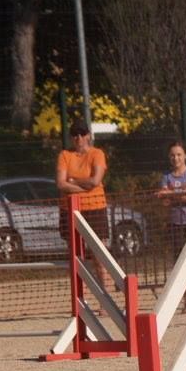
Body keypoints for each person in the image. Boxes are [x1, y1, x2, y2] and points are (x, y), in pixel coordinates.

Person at [56, 119, 113, 296]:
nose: (78, 138)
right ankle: (82, 300)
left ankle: (108, 299)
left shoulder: (97, 154)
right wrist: (84, 187)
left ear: (88, 135)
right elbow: (61, 184)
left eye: (81, 134)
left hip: (95, 208)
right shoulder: (65, 155)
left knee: (99, 256)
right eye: (74, 135)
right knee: (76, 257)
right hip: (70, 210)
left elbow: (96, 180)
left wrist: (73, 182)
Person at [156, 141, 186, 312]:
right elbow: (164, 200)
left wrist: (171, 194)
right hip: (175, 223)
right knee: (180, 263)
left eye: (179, 154)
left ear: (185, 156)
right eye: (172, 155)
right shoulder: (166, 177)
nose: (176, 158)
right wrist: (177, 194)